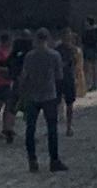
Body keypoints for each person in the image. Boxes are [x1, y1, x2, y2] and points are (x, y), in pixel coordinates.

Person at [16, 28, 66, 173]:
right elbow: (59, 77)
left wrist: (21, 93)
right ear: (48, 39)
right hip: (49, 94)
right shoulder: (54, 55)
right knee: (52, 129)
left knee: (30, 128)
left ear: (36, 39)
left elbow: (24, 76)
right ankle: (54, 160)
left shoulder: (30, 56)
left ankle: (32, 160)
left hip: (32, 95)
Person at [55, 28, 81, 135]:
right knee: (55, 104)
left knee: (69, 104)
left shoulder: (73, 50)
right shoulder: (57, 50)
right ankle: (54, 126)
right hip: (59, 79)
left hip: (69, 79)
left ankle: (69, 127)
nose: (68, 39)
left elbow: (76, 64)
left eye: (69, 37)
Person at [80, 16, 97, 89]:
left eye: (86, 21)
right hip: (93, 49)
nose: (85, 23)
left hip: (89, 49)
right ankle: (92, 84)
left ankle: (88, 84)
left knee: (87, 68)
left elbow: (83, 40)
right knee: (92, 68)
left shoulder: (89, 30)